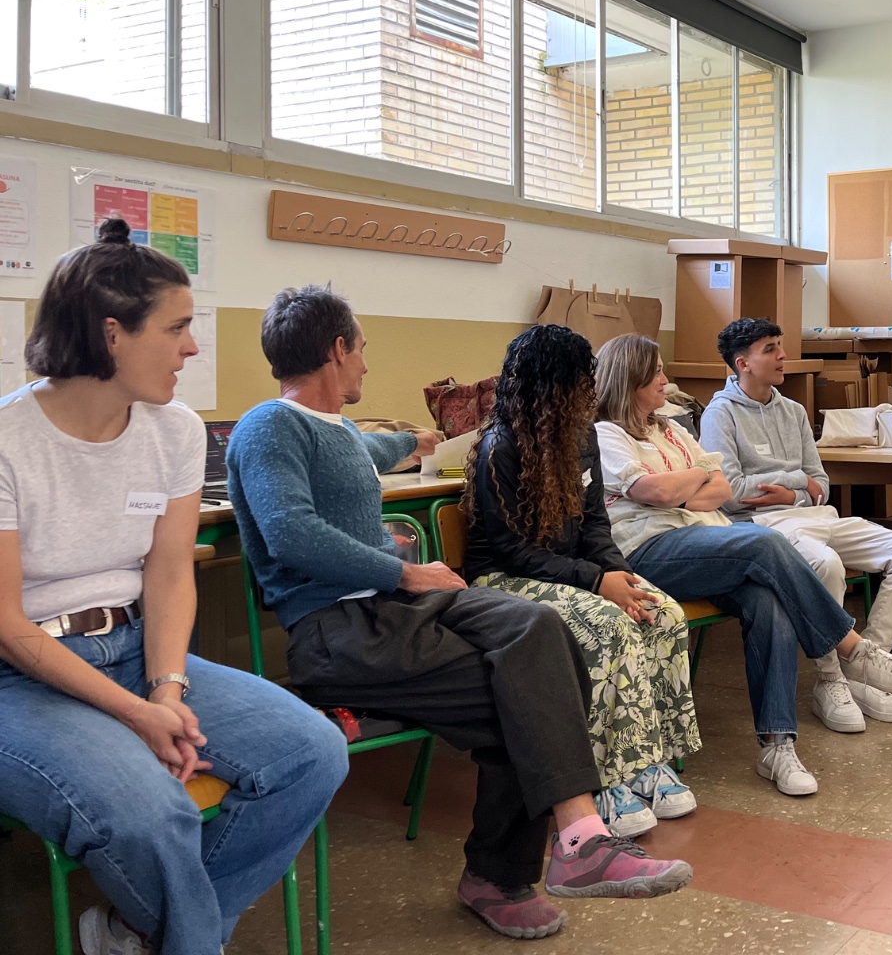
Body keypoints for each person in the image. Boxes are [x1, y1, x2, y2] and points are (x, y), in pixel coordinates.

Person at [227, 286, 690, 942]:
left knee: (539, 631)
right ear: (336, 350)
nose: (364, 361)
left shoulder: (337, 432)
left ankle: (577, 837)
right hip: (338, 632)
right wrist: (404, 570)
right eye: (360, 349)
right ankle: (511, 874)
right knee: (521, 699)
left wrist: (419, 441)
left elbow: (366, 454)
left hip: (397, 611)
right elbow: (290, 533)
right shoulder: (268, 427)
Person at [0, 221, 348, 955]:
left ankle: (141, 933)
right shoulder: (8, 440)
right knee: (155, 813)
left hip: (132, 650)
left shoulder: (175, 430)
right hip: (17, 675)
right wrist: (136, 712)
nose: (193, 348)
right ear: (111, 335)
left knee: (313, 752)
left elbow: (166, 572)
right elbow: (7, 622)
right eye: (179, 328)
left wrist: (165, 689)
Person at [593, 334, 892, 797]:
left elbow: (722, 488)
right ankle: (852, 649)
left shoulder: (670, 428)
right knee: (764, 542)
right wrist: (693, 479)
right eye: (657, 374)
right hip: (648, 550)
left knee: (769, 603)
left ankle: (777, 746)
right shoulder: (606, 433)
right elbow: (656, 493)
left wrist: (685, 483)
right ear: (630, 381)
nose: (666, 381)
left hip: (707, 538)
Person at [463, 324, 700, 838]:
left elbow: (594, 523)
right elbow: (512, 551)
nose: (589, 391)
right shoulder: (500, 447)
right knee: (607, 626)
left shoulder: (582, 434)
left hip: (576, 574)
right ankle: (608, 778)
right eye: (579, 381)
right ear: (551, 385)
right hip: (504, 578)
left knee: (662, 613)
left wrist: (616, 573)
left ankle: (649, 761)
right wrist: (597, 583)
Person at [699, 317, 892, 732]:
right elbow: (730, 492)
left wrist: (797, 490)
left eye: (779, 345)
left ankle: (864, 667)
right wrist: (794, 483)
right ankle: (830, 680)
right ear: (743, 363)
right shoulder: (720, 414)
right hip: (761, 524)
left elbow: (820, 483)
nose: (782, 355)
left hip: (815, 514)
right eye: (769, 348)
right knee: (826, 563)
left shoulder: (793, 410)